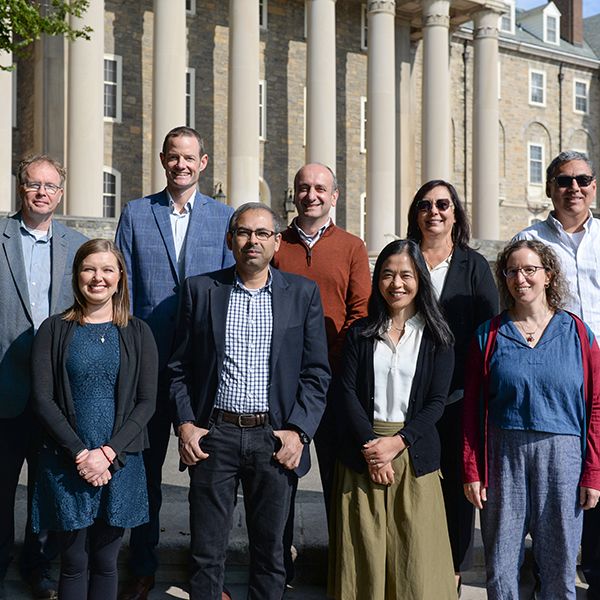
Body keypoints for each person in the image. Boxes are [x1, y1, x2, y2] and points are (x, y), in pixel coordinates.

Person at [168, 202, 330, 600]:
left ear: (277, 241)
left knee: (271, 552)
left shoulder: (303, 294)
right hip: (214, 436)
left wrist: (298, 432)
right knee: (206, 553)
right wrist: (186, 425)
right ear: (230, 240)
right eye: (243, 232)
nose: (251, 241)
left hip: (273, 440)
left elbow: (316, 373)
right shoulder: (201, 290)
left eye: (261, 233)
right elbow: (177, 368)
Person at [115, 126, 234, 600]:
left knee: (210, 479)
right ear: (163, 160)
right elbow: (122, 289)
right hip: (146, 363)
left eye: (190, 158)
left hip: (204, 371)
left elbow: (231, 290)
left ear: (203, 162)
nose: (181, 165)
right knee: (143, 474)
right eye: (173, 157)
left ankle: (208, 576)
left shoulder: (224, 217)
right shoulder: (136, 213)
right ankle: (143, 565)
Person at [462, 239, 600, 600]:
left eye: (529, 270)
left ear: (548, 276)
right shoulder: (488, 335)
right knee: (502, 568)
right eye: (511, 271)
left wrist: (592, 472)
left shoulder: (579, 335)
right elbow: (471, 408)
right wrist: (472, 470)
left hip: (564, 459)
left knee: (559, 567)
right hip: (503, 456)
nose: (520, 279)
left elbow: (596, 406)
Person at [328, 239, 457, 600]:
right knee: (364, 554)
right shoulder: (360, 333)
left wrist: (397, 443)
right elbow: (347, 393)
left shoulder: (437, 337)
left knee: (414, 559)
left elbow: (436, 402)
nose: (396, 284)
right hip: (362, 453)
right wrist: (373, 447)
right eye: (387, 275)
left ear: (419, 279)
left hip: (413, 453)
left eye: (405, 275)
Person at [29, 239, 157, 600]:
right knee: (72, 562)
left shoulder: (139, 332)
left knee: (106, 561)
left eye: (106, 270)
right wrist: (81, 454)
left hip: (121, 461)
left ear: (120, 278)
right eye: (89, 269)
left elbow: (146, 403)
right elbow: (42, 399)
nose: (97, 278)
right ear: (77, 275)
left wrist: (108, 453)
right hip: (67, 460)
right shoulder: (53, 330)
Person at [272, 162, 371, 582]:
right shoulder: (277, 245)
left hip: (331, 380)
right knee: (279, 478)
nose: (311, 194)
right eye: (303, 187)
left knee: (337, 477)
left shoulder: (352, 246)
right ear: (294, 194)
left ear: (335, 196)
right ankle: (278, 565)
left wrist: (326, 359)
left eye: (320, 188)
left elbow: (360, 311)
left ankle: (340, 570)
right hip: (278, 384)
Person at [513, 150, 600, 597]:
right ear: (550, 187)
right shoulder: (530, 239)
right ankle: (551, 576)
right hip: (555, 384)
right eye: (564, 180)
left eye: (583, 179)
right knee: (555, 491)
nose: (574, 188)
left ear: (594, 186)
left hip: (599, 376)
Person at [0, 155, 87, 600]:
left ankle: (41, 569)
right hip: (5, 389)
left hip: (56, 392)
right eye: (33, 184)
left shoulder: (77, 246)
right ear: (21, 188)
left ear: (61, 193)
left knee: (48, 487)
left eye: (50, 186)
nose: (41, 192)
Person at [406, 179, 498, 591]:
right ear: (416, 213)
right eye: (425, 204)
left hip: (459, 394)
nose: (434, 211)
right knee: (415, 482)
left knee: (460, 488)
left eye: (443, 204)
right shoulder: (403, 258)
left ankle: (455, 572)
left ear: (456, 212)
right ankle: (415, 566)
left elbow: (489, 328)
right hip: (408, 393)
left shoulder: (473, 265)